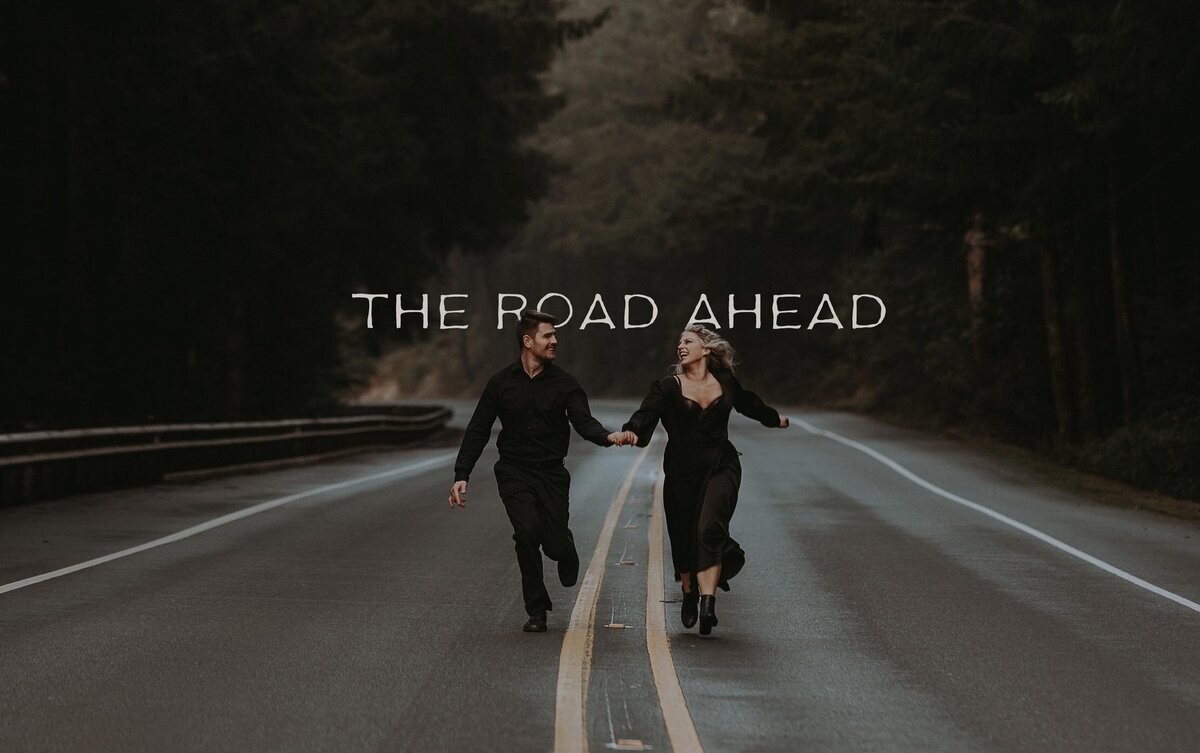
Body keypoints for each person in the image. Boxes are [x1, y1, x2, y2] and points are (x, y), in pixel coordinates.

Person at [449, 309, 623, 633]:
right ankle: (537, 609)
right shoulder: (500, 383)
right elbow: (478, 429)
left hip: (551, 474)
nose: (555, 341)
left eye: (555, 335)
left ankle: (565, 547)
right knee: (526, 532)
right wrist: (462, 474)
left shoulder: (566, 384)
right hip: (513, 472)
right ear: (528, 341)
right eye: (548, 335)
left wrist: (607, 436)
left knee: (553, 545)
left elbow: (583, 422)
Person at [614, 326, 789, 635]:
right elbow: (646, 415)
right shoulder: (667, 387)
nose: (681, 345)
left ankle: (708, 602)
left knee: (709, 527)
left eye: (688, 341)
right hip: (681, 472)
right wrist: (632, 431)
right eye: (679, 341)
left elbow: (750, 404)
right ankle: (688, 593)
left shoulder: (725, 382)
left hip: (721, 464)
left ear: (706, 350)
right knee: (683, 537)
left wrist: (775, 420)